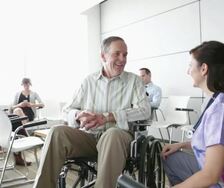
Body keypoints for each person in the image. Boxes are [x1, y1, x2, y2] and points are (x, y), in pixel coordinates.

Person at [33, 36, 151, 188]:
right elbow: (66, 110)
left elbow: (145, 110)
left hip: (119, 139)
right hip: (90, 138)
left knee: (112, 134)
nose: (122, 59)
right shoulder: (89, 81)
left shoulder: (134, 81)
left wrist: (109, 117)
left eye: (125, 54)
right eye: (117, 54)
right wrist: (77, 115)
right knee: (57, 132)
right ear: (103, 56)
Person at [162, 41, 224, 188]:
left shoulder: (221, 109)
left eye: (190, 65)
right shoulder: (218, 99)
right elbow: (216, 141)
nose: (187, 71)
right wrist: (181, 145)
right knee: (170, 158)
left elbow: (210, 176)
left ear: (203, 69)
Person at [10, 78, 44, 166]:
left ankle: (17, 155)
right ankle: (26, 135)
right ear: (22, 84)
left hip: (29, 116)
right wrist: (20, 105)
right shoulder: (17, 94)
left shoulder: (34, 93)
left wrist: (31, 104)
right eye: (24, 84)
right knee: (17, 110)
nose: (26, 86)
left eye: (27, 84)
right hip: (18, 116)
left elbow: (42, 104)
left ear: (30, 84)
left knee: (15, 122)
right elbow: (12, 107)